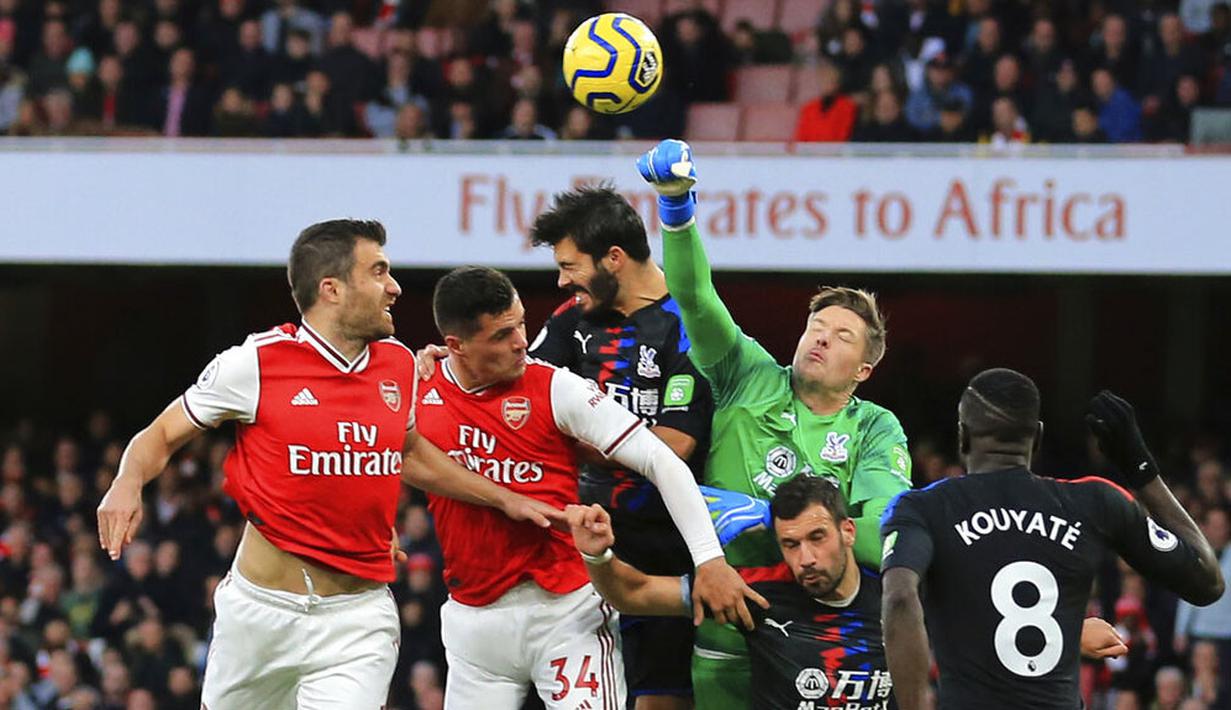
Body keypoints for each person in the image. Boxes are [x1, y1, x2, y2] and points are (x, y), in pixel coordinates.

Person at [96, 219, 563, 708]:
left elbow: (405, 454)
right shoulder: (256, 363)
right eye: (379, 271)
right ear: (332, 289)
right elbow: (162, 433)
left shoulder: (398, 364)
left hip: (357, 619)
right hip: (259, 616)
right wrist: (127, 481)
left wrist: (503, 497)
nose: (395, 287)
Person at [415, 186, 719, 707]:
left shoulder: (686, 326)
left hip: (657, 543)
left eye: (569, 264)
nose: (562, 279)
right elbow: (510, 383)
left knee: (662, 699)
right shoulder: (568, 322)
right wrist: (444, 366)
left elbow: (672, 446)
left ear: (614, 260)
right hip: (572, 545)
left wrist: (555, 441)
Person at [637, 139, 912, 709]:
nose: (821, 337)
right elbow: (694, 297)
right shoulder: (747, 375)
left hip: (823, 638)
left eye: (842, 336)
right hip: (727, 622)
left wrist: (769, 517)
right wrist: (676, 209)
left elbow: (881, 532)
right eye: (817, 325)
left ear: (864, 369)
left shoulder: (877, 428)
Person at [568, 470, 1128, 710]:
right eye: (790, 544)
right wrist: (598, 552)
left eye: (816, 538)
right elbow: (635, 593)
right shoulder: (755, 595)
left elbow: (987, 621)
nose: (805, 558)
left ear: (847, 531)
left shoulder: (900, 599)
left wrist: (1066, 633)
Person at [880, 370, 1225, 709]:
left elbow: (899, 601)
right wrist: (1139, 465)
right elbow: (1207, 581)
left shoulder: (922, 507)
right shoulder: (1094, 501)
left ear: (963, 437)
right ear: (1038, 438)